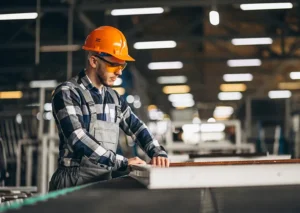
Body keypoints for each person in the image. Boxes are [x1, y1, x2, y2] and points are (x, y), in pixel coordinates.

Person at [49, 26, 169, 191]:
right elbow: (77, 138)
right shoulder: (68, 93)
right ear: (93, 61)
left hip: (103, 180)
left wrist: (157, 152)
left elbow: (137, 127)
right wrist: (121, 162)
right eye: (114, 65)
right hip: (72, 182)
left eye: (122, 66)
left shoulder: (114, 99)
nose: (119, 72)